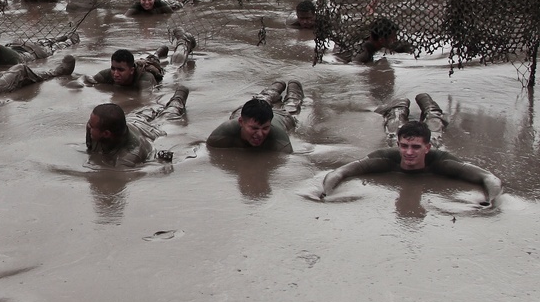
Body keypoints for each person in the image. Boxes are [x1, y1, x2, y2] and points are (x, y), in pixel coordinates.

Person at [320, 119, 501, 205]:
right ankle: (399, 108)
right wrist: (327, 194)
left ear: (426, 148)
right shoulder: (385, 158)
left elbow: (489, 178)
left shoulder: (442, 163)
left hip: (434, 138)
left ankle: (429, 106)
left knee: (435, 123)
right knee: (394, 124)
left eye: (415, 147)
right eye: (404, 146)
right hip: (395, 137)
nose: (408, 152)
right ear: (399, 145)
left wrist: (491, 202)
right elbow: (340, 172)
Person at [86, 87, 189, 168]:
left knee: (170, 114)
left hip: (148, 132)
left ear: (106, 133)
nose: (88, 126)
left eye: (92, 126)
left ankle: (180, 94)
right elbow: (91, 151)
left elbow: (118, 177)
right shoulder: (92, 128)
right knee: (150, 109)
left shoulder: (130, 155)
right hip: (133, 119)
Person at [206, 81, 305, 153]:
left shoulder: (281, 143)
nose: (260, 134)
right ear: (241, 122)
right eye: (254, 128)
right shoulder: (220, 136)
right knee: (262, 99)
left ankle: (294, 86)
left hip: (282, 117)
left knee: (292, 107)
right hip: (243, 113)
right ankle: (276, 86)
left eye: (265, 128)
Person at [0, 26, 77, 66]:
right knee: (43, 42)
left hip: (30, 54)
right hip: (16, 45)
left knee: (56, 48)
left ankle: (71, 38)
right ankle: (59, 37)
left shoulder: (11, 59)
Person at [84, 48, 166, 89]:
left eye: (121, 70)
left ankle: (159, 52)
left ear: (131, 71)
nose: (115, 74)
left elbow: (145, 101)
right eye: (113, 68)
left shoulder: (145, 79)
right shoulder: (109, 73)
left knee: (155, 57)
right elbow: (85, 79)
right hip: (133, 63)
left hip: (152, 66)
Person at [347, 17, 413, 63]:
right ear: (381, 40)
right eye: (393, 38)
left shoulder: (370, 43)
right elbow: (355, 65)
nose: (396, 40)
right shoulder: (363, 54)